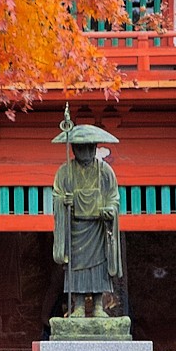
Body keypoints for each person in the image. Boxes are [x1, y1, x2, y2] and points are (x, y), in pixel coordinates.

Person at [52, 114, 122, 318]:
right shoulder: (65, 172)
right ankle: (79, 306)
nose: (85, 151)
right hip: (75, 228)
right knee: (76, 267)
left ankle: (99, 305)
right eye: (80, 147)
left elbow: (113, 197)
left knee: (99, 266)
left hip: (98, 228)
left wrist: (109, 209)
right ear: (73, 148)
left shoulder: (105, 171)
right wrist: (62, 201)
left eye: (89, 147)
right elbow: (56, 195)